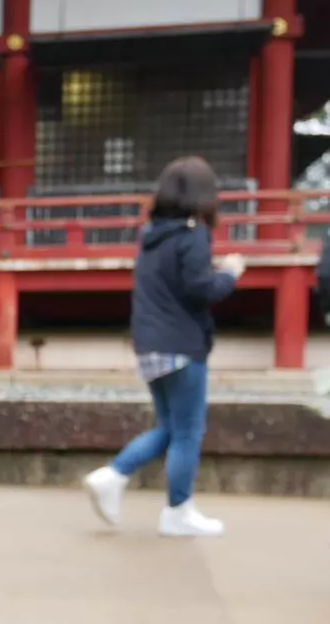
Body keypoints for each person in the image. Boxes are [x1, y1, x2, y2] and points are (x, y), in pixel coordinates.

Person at [82, 157, 242, 536]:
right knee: (188, 432)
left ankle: (113, 477)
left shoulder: (152, 234)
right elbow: (201, 290)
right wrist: (231, 274)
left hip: (150, 345)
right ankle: (177, 511)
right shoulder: (193, 234)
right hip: (183, 346)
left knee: (170, 427)